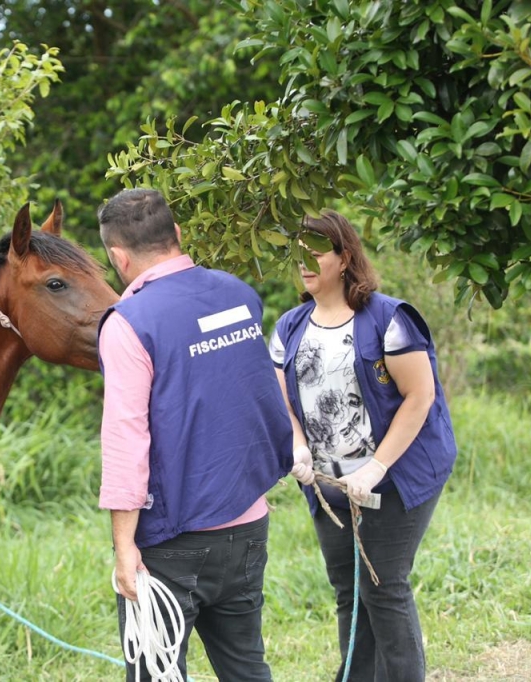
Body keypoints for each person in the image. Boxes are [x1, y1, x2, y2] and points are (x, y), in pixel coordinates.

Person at [96, 188, 298, 681]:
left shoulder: (128, 325)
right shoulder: (238, 295)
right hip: (248, 522)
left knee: (156, 672)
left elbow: (127, 442)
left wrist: (124, 548)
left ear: (118, 257)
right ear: (178, 235)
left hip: (172, 541)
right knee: (247, 667)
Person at [268, 210, 458, 682]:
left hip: (396, 478)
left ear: (345, 256)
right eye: (297, 253)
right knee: (349, 592)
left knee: (384, 587)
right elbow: (282, 400)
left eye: (315, 251)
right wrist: (298, 447)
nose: (304, 262)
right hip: (330, 486)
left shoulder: (390, 321)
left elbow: (421, 396)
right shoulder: (289, 328)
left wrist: (375, 467)